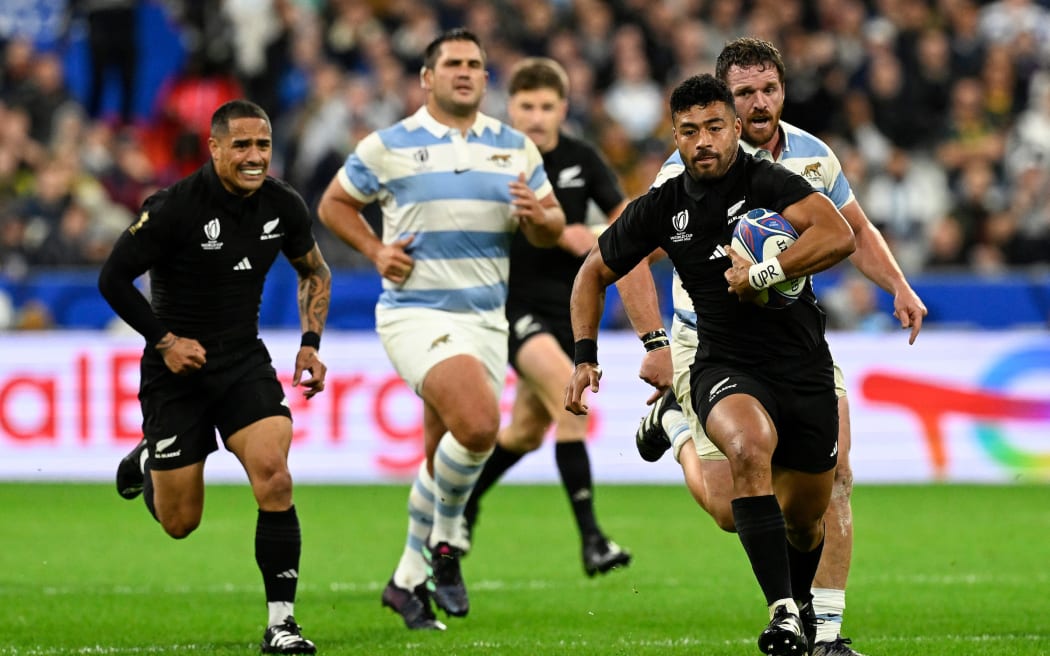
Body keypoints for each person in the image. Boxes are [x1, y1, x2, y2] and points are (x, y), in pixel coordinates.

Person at [629, 38, 928, 656]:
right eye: (744, 93)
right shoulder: (682, 172)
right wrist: (655, 342)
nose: (759, 103)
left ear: (782, 91)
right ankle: (677, 426)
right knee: (729, 507)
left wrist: (897, 283)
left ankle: (827, 631)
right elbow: (625, 257)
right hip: (708, 343)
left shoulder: (814, 157)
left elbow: (856, 229)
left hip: (797, 340)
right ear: (724, 104)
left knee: (836, 470)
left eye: (768, 89)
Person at [565, 73, 857, 656]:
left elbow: (839, 234)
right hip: (722, 363)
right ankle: (785, 617)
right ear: (674, 135)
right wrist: (586, 357)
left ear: (733, 130)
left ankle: (671, 426)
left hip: (802, 367)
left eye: (715, 128)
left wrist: (765, 273)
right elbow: (593, 271)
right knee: (748, 450)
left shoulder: (770, 181)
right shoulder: (663, 203)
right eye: (690, 130)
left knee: (803, 516)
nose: (703, 141)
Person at [316, 29, 564, 631]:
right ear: (427, 77)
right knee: (480, 424)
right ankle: (448, 543)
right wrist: (376, 252)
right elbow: (332, 204)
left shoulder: (514, 148)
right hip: (416, 312)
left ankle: (405, 581)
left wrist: (538, 219)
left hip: (486, 319)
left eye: (476, 65)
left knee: (441, 452)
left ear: (486, 78)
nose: (465, 72)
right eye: (452, 63)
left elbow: (552, 225)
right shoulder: (388, 145)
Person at [98, 99, 330, 655]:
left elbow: (314, 270)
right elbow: (113, 279)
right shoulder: (175, 207)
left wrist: (310, 343)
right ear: (216, 148)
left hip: (242, 360)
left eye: (264, 146)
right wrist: (165, 341)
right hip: (175, 369)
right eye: (243, 146)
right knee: (180, 522)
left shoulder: (284, 204)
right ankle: (153, 457)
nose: (255, 157)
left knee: (274, 475)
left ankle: (282, 624)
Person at [460, 57, 632, 577]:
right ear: (510, 108)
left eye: (546, 106)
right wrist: (563, 230)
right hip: (513, 306)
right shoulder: (493, 161)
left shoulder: (582, 156)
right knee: (570, 397)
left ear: (563, 108)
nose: (536, 116)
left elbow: (626, 214)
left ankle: (463, 503)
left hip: (572, 308)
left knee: (525, 433)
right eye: (526, 105)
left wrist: (604, 240)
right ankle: (593, 539)